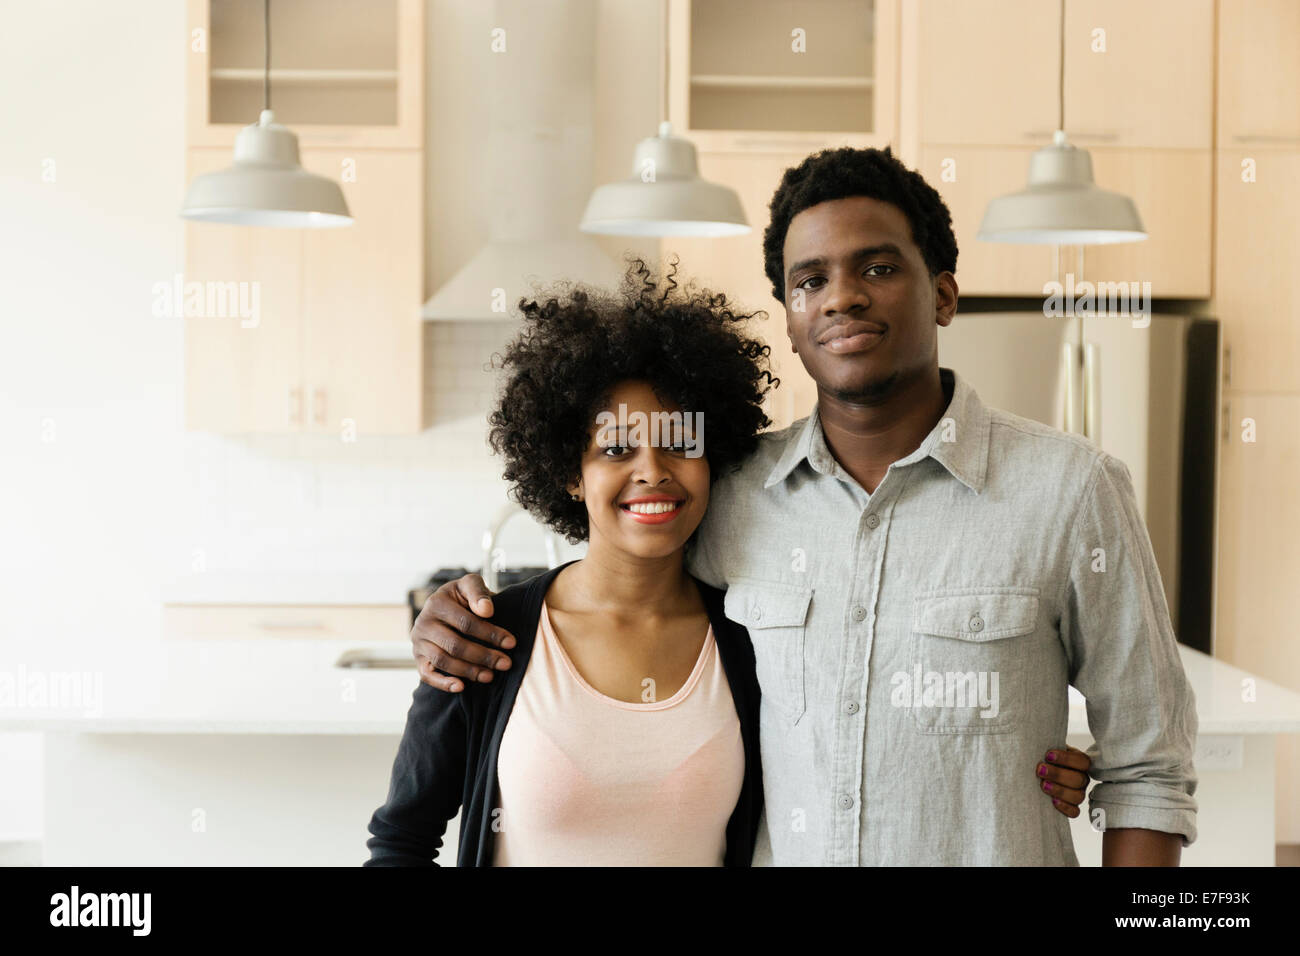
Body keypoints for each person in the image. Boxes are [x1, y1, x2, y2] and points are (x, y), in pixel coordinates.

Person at [409, 147, 1195, 866]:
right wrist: (456, 617)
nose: (841, 297)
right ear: (788, 319)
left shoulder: (1072, 491)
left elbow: (1149, 771)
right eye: (810, 280)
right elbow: (625, 584)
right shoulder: (735, 493)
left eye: (879, 268)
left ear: (946, 294)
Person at [365, 259, 1087, 866]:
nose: (652, 471)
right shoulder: (491, 640)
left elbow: (863, 739)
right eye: (617, 449)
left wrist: (1031, 764)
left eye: (678, 443)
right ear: (568, 472)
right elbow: (401, 839)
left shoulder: (751, 632)